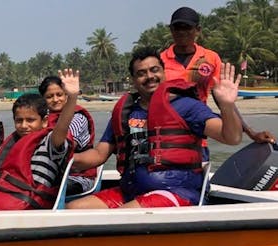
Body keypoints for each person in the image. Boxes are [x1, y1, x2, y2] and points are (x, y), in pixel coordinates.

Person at [67, 47, 243, 209]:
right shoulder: (126, 112)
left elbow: (232, 137)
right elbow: (98, 155)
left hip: (177, 192)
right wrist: (63, 159)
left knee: (124, 214)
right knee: (74, 209)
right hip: (132, 192)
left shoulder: (186, 106)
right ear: (134, 80)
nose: (150, 76)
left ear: (163, 72)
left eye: (154, 70)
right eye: (141, 73)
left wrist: (226, 105)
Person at [0, 69, 80, 211]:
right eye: (19, 121)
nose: (24, 126)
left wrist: (72, 98)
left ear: (45, 121)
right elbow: (0, 175)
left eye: (30, 120)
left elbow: (62, 127)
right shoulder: (14, 143)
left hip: (24, 208)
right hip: (0, 201)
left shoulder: (50, 143)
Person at [161, 7, 275, 145]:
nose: (181, 32)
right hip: (167, 135)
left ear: (198, 30)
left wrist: (251, 133)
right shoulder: (160, 61)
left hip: (198, 135)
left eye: (187, 28)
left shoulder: (210, 58)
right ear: (171, 30)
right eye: (177, 28)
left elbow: (224, 100)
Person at [39, 76, 96, 195]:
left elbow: (64, 147)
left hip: (77, 176)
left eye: (59, 95)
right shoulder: (41, 119)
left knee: (46, 188)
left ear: (66, 95)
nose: (55, 99)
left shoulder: (78, 118)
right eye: (49, 97)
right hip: (49, 173)